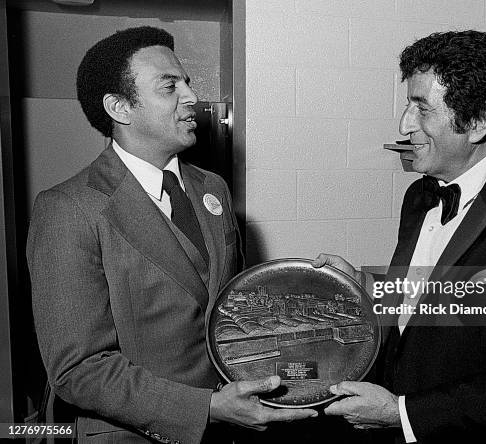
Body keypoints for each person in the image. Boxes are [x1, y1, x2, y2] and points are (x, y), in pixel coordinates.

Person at [27, 26, 316, 444]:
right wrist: (206, 410)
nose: (192, 98)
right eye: (170, 86)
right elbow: (79, 370)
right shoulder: (68, 209)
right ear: (120, 107)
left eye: (187, 82)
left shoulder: (211, 188)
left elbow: (230, 309)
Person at [313, 30, 486, 443]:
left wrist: (402, 414)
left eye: (421, 108)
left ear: (478, 121)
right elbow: (445, 301)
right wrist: (364, 285)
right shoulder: (419, 195)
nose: (404, 124)